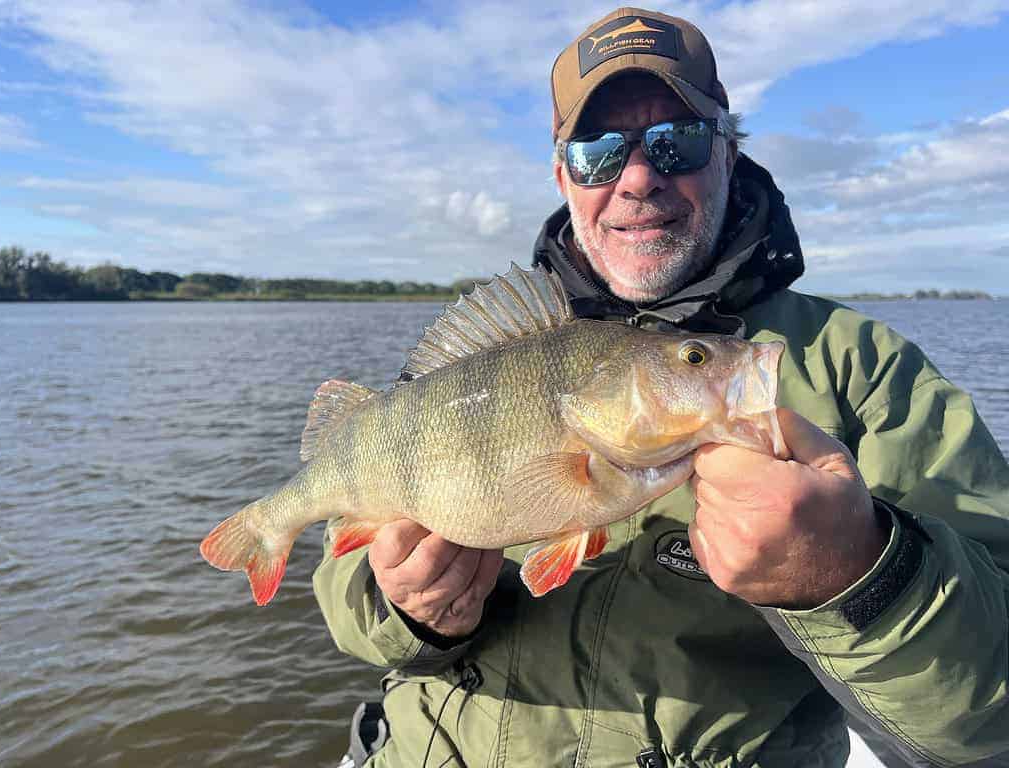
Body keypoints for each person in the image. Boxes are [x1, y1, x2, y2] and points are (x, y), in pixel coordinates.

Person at [317, 8, 1009, 767]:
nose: (638, 177)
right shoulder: (481, 358)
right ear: (563, 176)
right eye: (598, 152)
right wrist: (413, 612)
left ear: (729, 155)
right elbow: (350, 599)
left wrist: (864, 575)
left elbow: (988, 718)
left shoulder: (859, 366)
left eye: (675, 142)